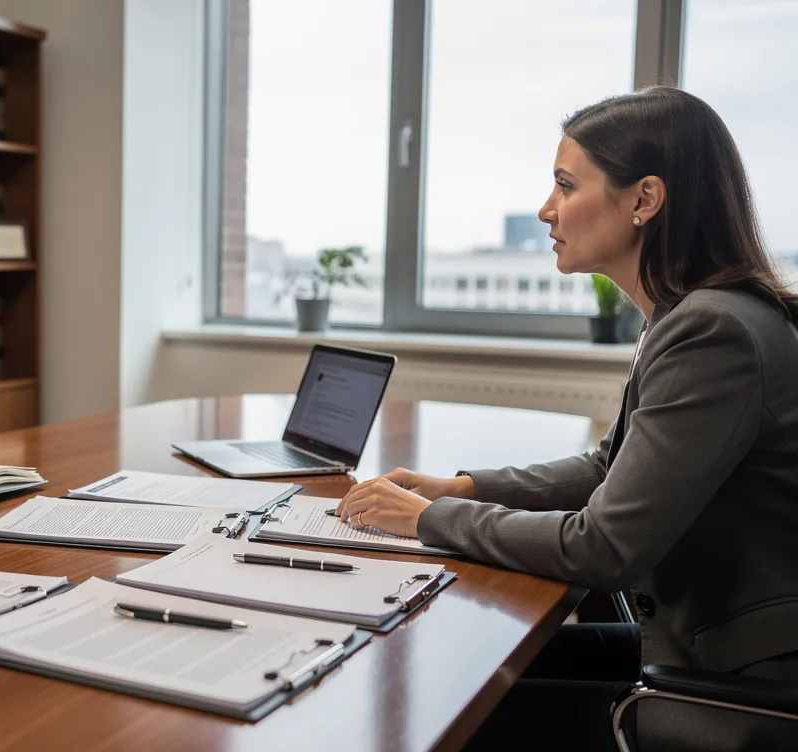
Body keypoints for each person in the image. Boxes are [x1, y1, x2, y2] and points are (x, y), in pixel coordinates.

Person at [335, 87, 798, 750]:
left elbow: (602, 548)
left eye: (564, 185)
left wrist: (424, 520)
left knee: (457, 713)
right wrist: (460, 489)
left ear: (644, 200)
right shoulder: (689, 313)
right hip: (698, 647)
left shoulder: (712, 331)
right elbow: (608, 467)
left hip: (740, 687)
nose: (546, 209)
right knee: (467, 673)